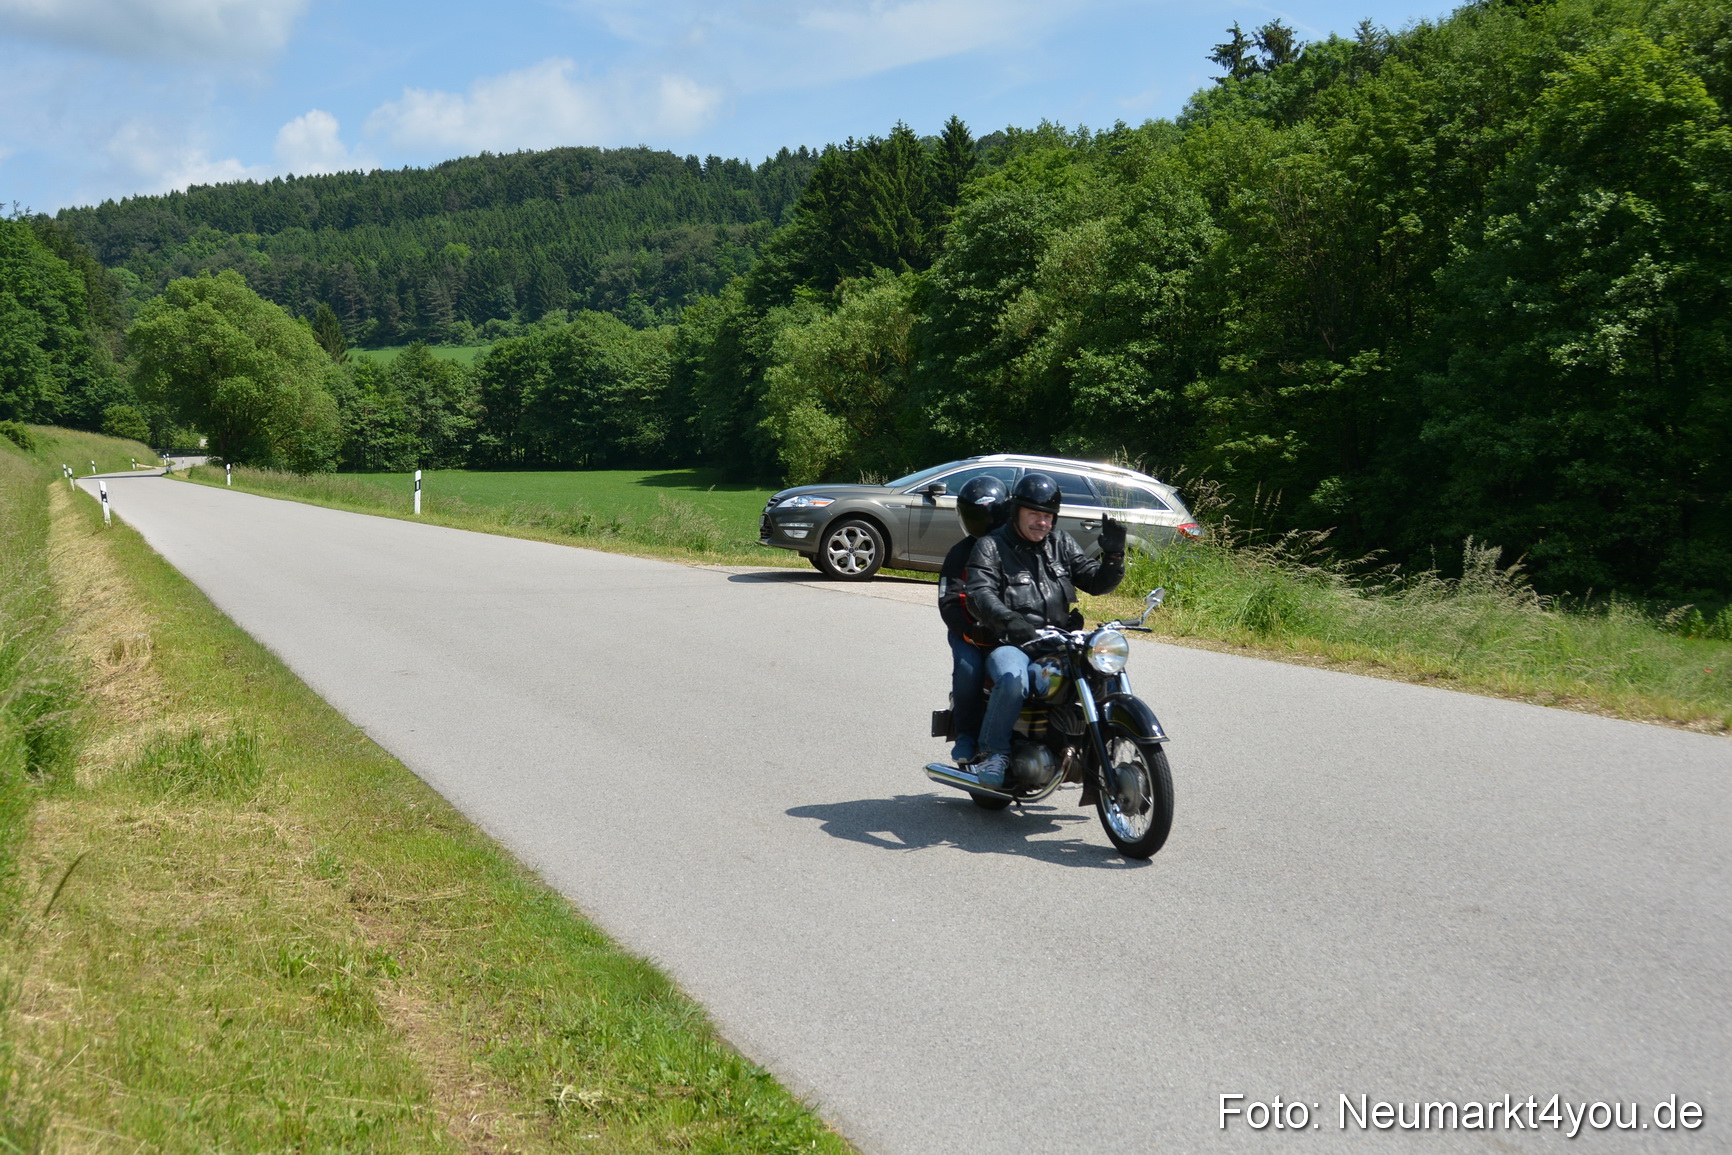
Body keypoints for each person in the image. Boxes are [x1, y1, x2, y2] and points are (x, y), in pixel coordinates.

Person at [964, 472, 1127, 787]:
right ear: (1017, 511)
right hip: (1011, 644)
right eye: (1035, 514)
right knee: (1014, 682)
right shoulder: (991, 546)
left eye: (1049, 516)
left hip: (1057, 644)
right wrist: (1010, 620)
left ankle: (1101, 744)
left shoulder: (1061, 543)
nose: (1042, 522)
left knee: (1104, 668)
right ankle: (994, 753)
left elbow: (1094, 581)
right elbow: (979, 593)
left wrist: (1113, 557)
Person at [937, 475, 1010, 765]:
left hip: (1010, 632)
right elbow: (949, 602)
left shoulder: (1015, 549)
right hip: (971, 632)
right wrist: (969, 630)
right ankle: (967, 734)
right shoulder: (960, 552)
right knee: (969, 669)